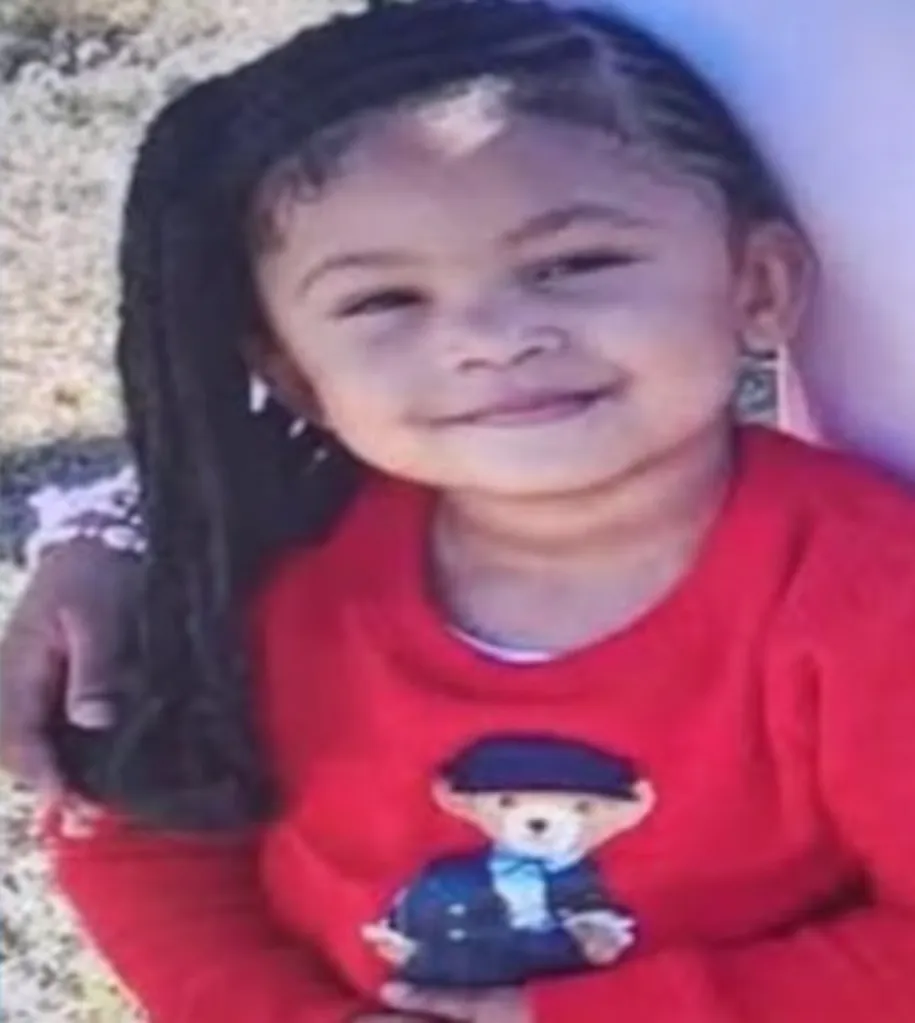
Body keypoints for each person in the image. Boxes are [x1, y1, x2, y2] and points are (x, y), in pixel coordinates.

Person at [4, 0, 915, 1019]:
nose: (491, 335)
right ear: (295, 375)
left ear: (759, 285)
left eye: (574, 264)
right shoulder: (265, 567)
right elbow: (146, 835)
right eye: (384, 301)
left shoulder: (866, 596)